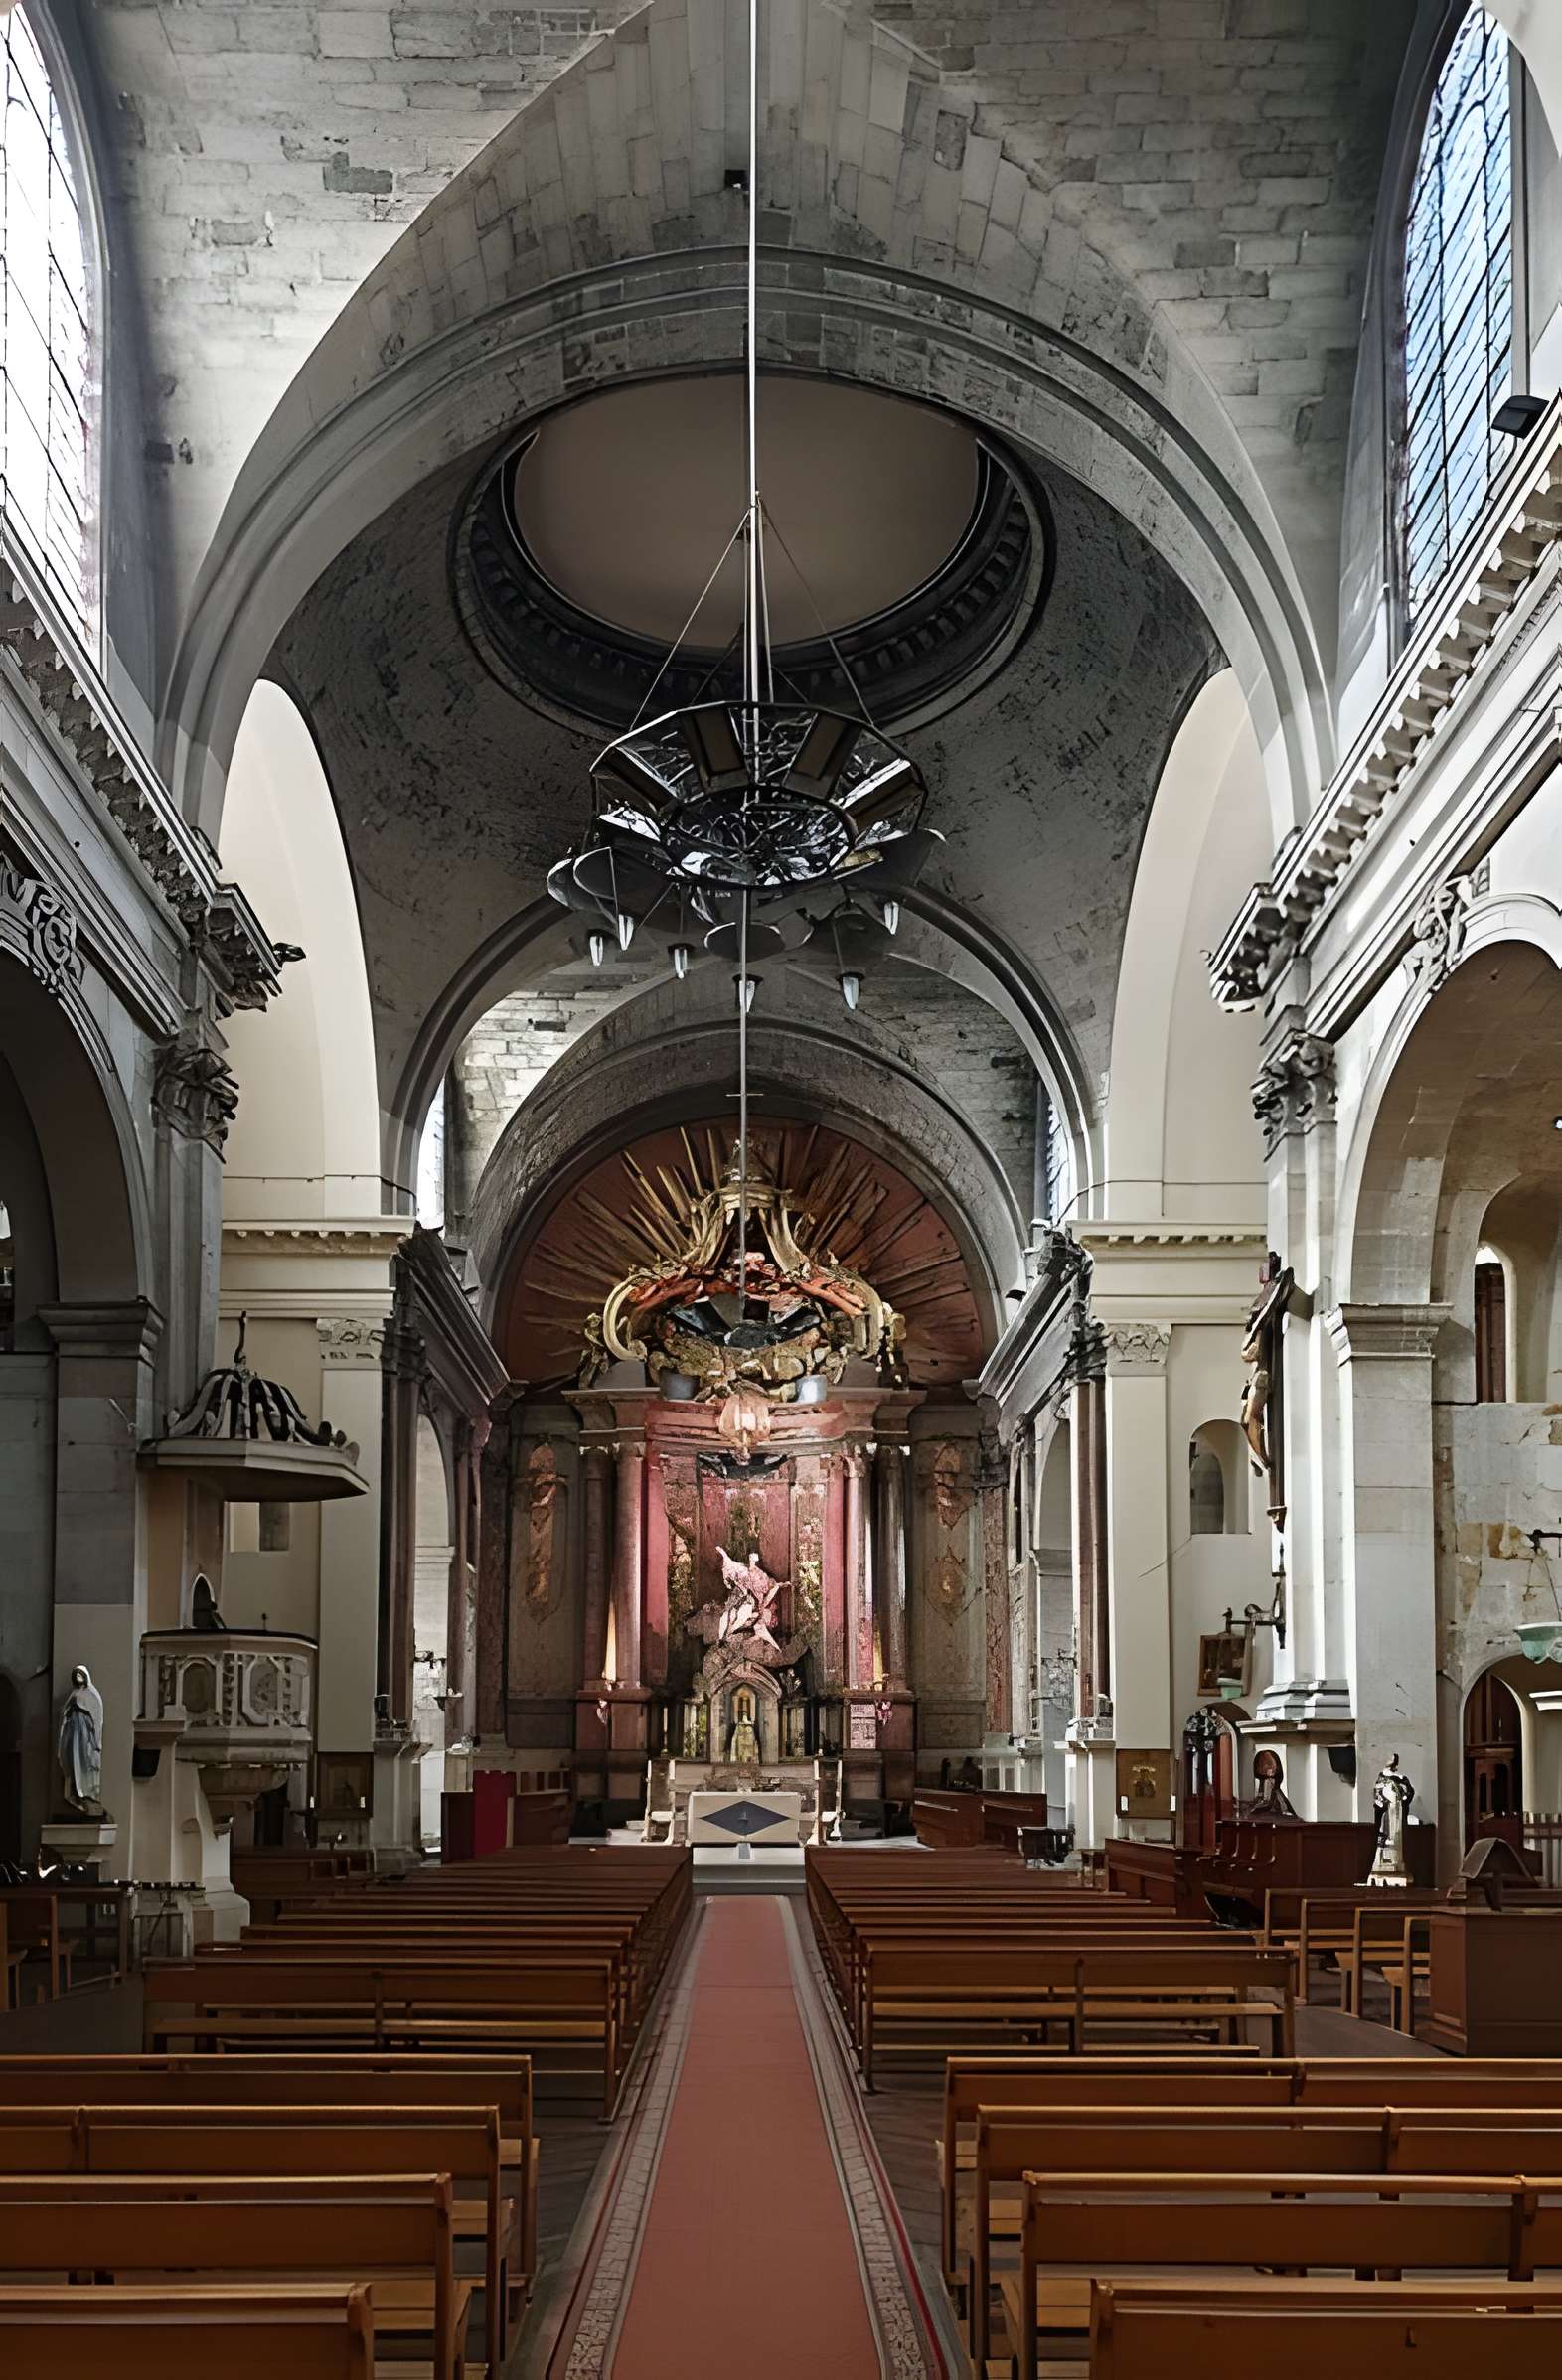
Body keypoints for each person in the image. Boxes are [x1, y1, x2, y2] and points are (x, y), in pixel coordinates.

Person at [58, 1665, 105, 1816]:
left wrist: (96, 1739)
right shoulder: (73, 1694)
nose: (78, 1677)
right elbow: (64, 1713)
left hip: (86, 1735)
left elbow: (97, 1716)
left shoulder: (92, 1694)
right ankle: (75, 1793)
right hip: (74, 1734)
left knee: (86, 1762)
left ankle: (88, 1794)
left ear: (85, 1676)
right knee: (74, 1762)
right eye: (76, 1675)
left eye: (80, 1674)